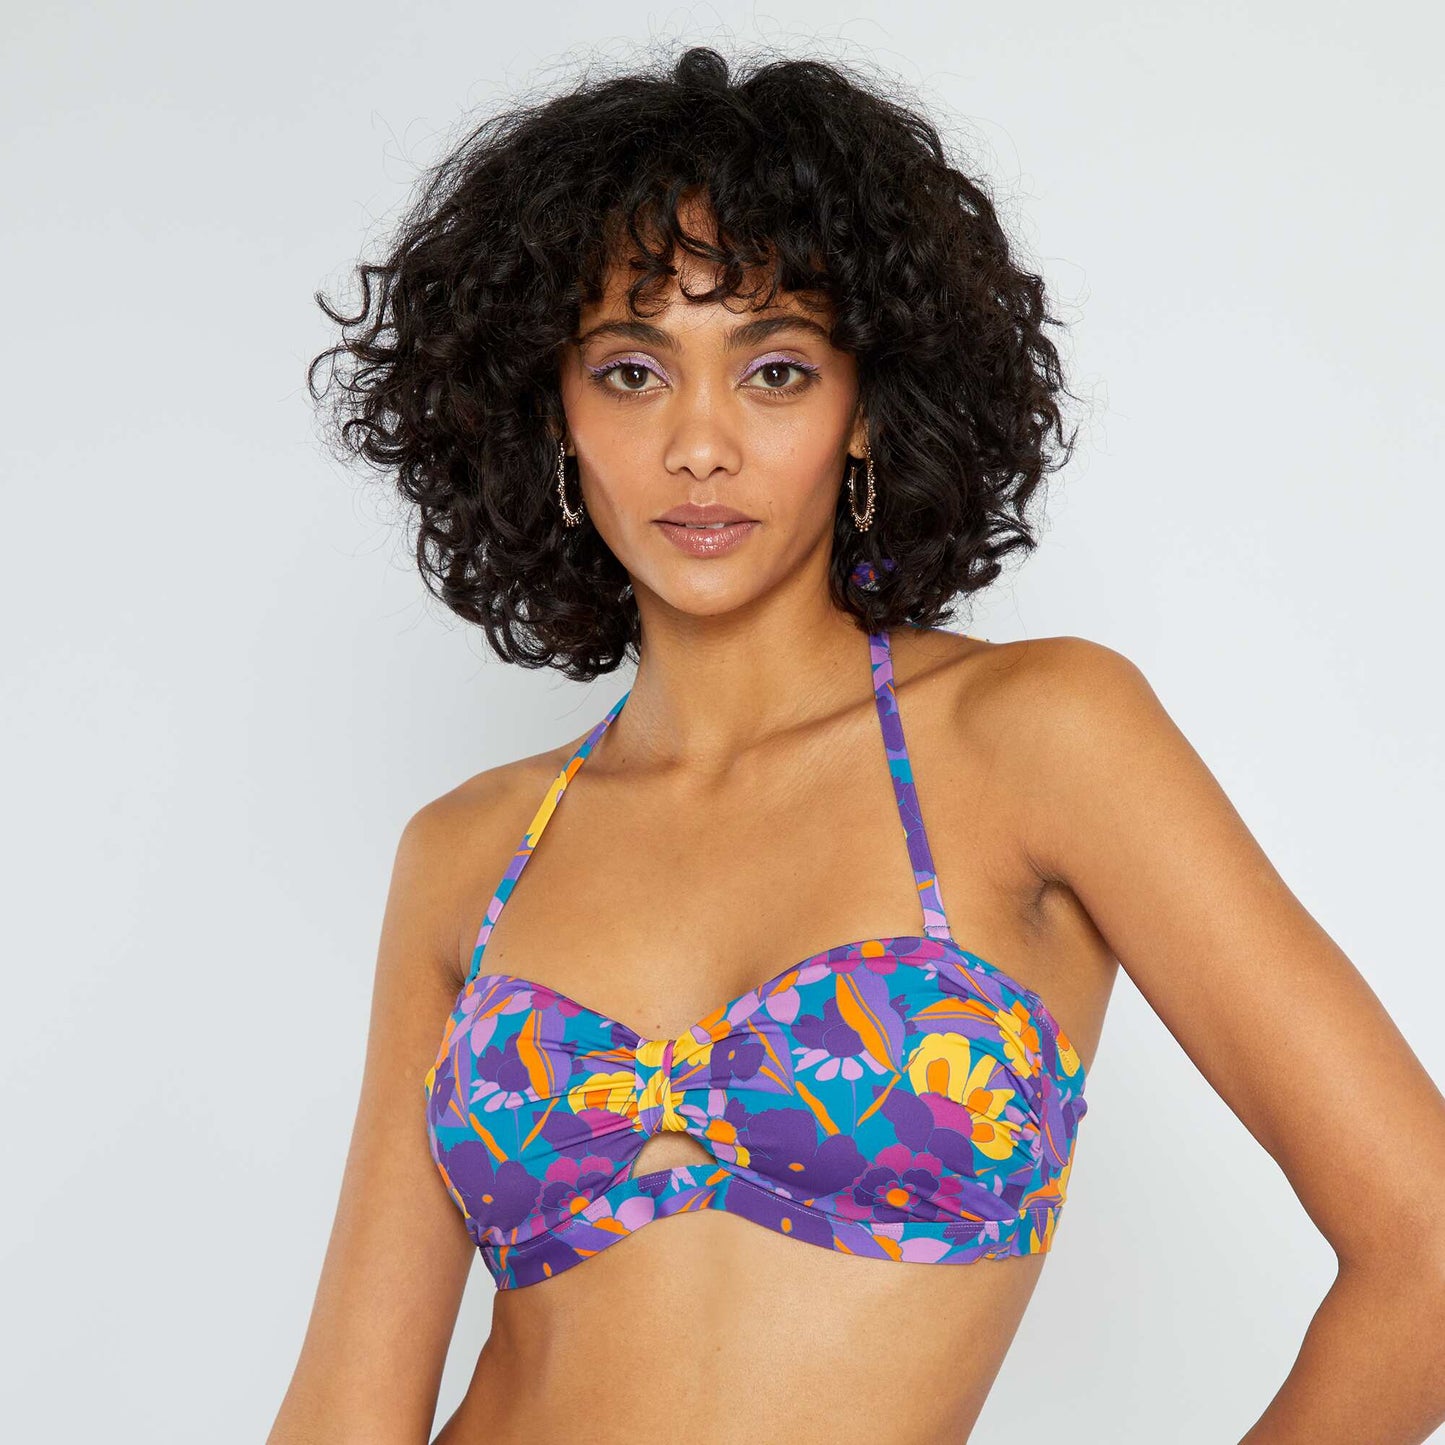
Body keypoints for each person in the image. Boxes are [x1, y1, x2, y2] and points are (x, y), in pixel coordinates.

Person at [270, 43, 1445, 1445]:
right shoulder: (470, 853)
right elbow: (345, 1411)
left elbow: (1427, 1251)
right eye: (632, 371)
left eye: (773, 369)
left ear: (866, 409)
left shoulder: (1036, 739)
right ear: (552, 415)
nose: (699, 444)